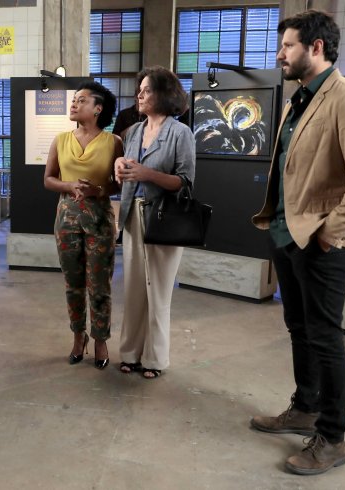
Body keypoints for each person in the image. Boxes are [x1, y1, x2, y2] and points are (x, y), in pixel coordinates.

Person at [250, 10, 345, 476]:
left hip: (324, 240)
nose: (279, 54)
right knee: (300, 328)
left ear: (316, 47)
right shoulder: (300, 99)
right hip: (286, 232)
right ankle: (305, 407)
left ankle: (332, 439)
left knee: (325, 337)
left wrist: (330, 232)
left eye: (287, 46)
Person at [114, 66, 195, 380]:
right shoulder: (134, 131)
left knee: (158, 292)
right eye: (140, 90)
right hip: (132, 215)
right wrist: (120, 165)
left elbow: (185, 183)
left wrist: (148, 174)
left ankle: (155, 358)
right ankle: (130, 353)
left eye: (146, 90)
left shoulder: (181, 133)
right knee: (134, 289)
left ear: (163, 94)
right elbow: (126, 168)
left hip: (164, 218)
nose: (140, 95)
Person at [44, 81, 123, 369]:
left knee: (99, 284)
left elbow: (118, 184)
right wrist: (69, 185)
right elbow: (48, 179)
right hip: (67, 219)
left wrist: (98, 190)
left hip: (100, 219)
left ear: (98, 108)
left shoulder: (114, 142)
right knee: (73, 283)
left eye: (81, 100)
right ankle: (79, 337)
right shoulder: (60, 140)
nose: (74, 104)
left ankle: (100, 339)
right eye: (74, 99)